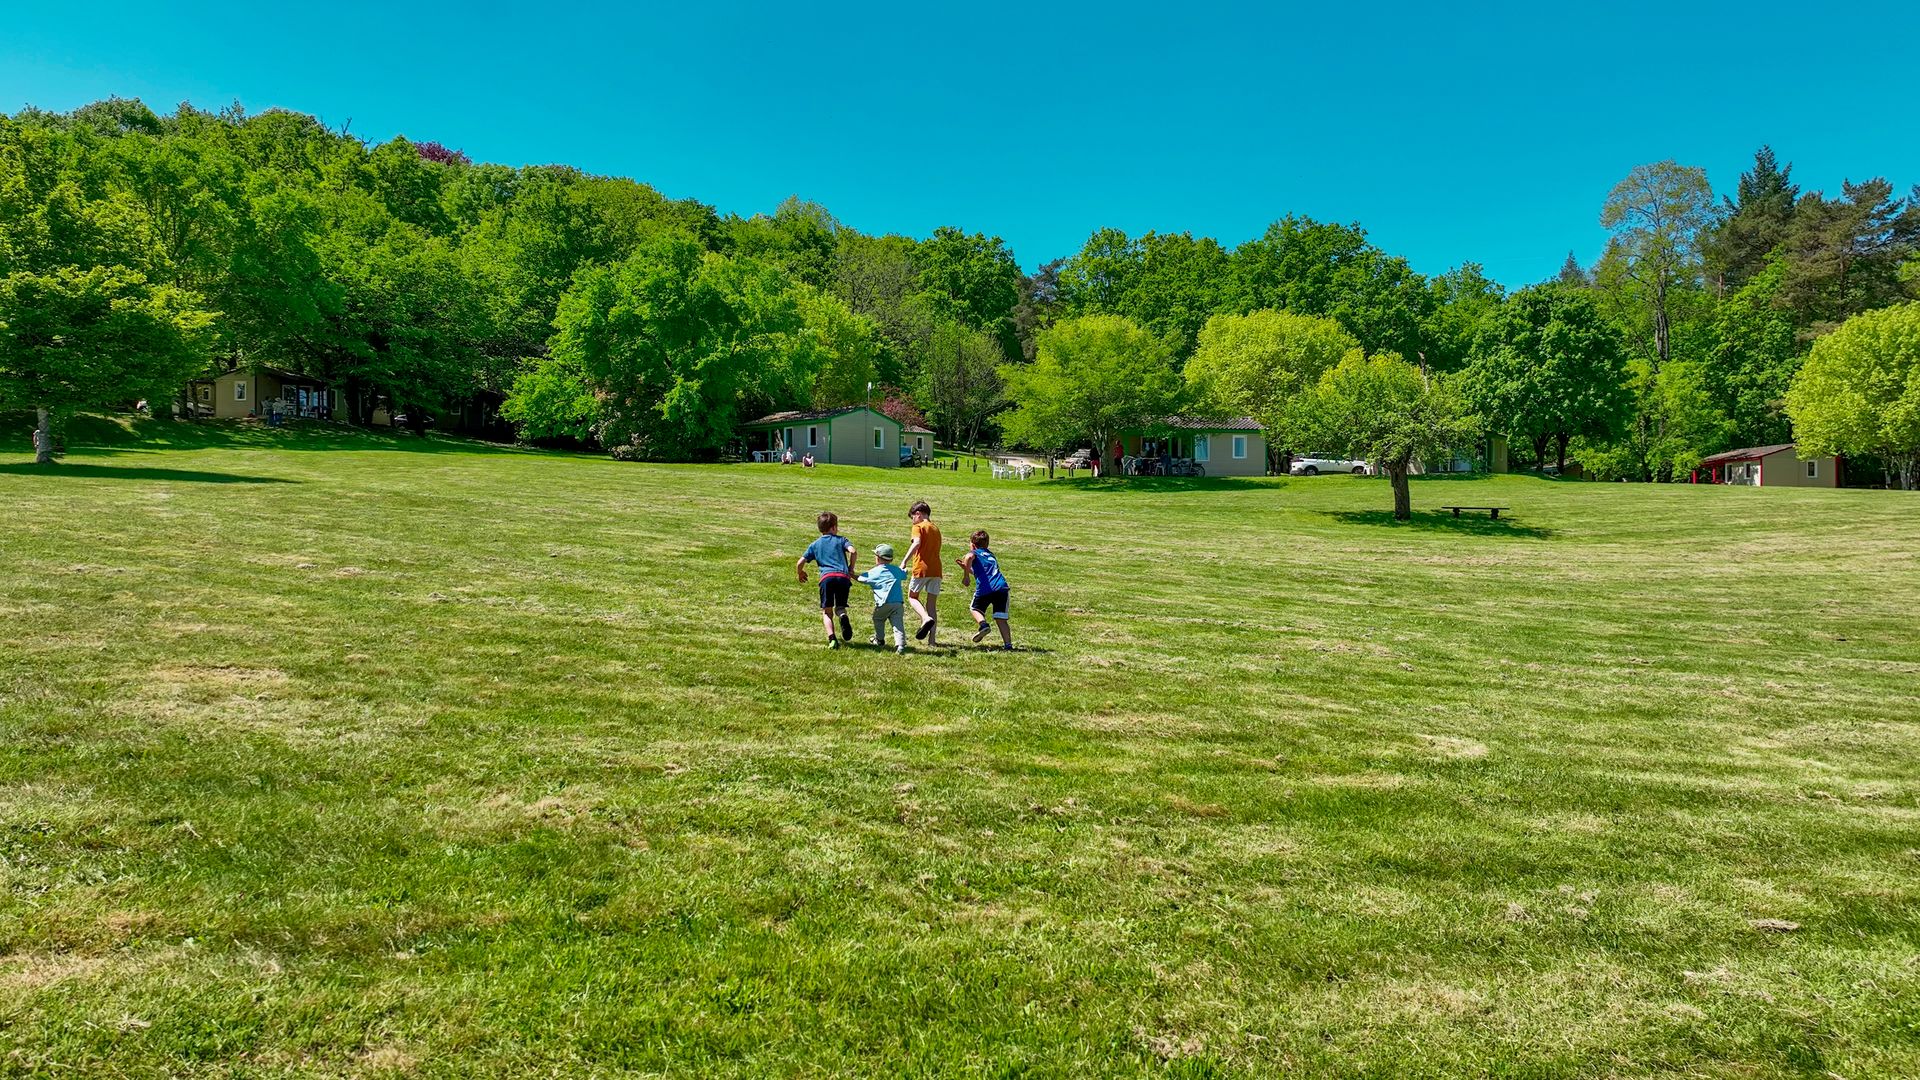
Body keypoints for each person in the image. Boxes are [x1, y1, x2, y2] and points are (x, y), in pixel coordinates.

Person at [796, 511, 858, 648]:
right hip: (843, 577)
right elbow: (853, 551)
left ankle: (832, 639)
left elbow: (800, 562)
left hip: (827, 579)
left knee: (827, 611)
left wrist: (800, 573)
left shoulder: (815, 544)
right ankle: (843, 616)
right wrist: (850, 568)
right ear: (834, 527)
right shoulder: (842, 540)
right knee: (840, 607)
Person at [957, 529, 1013, 650]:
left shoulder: (974, 553)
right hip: (1001, 588)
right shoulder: (990, 554)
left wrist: (966, 576)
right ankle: (1008, 645)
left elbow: (969, 556)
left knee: (974, 608)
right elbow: (981, 572)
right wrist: (965, 567)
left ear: (972, 544)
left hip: (986, 588)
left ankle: (983, 625)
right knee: (1001, 618)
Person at [901, 500, 942, 644]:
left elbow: (916, 543)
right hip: (936, 569)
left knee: (912, 597)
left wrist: (904, 561)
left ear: (918, 514)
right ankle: (932, 640)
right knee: (932, 605)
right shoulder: (935, 528)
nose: (912, 521)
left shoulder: (918, 527)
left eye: (912, 517)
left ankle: (925, 618)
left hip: (921, 568)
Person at [858, 543, 910, 654]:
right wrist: (904, 570)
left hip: (883, 603)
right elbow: (904, 575)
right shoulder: (896, 570)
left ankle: (880, 639)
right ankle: (900, 645)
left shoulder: (875, 571)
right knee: (898, 623)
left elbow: (861, 579)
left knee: (878, 619)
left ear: (878, 558)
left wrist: (851, 574)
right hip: (898, 603)